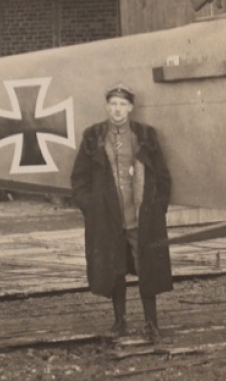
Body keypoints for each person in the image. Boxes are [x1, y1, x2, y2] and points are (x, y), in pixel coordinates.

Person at [70, 83, 173, 342]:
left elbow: (162, 176)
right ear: (107, 107)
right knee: (115, 268)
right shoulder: (93, 136)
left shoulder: (146, 136)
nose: (117, 110)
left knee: (146, 266)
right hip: (108, 218)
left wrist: (157, 209)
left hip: (140, 217)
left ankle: (152, 323)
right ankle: (120, 322)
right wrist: (91, 208)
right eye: (113, 104)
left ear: (130, 108)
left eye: (122, 105)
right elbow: (79, 178)